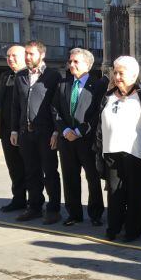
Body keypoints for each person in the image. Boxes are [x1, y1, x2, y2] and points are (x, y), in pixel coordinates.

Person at [94, 56, 141, 243]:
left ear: (134, 75)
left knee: (135, 193)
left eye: (122, 73)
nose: (117, 76)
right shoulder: (107, 96)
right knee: (114, 192)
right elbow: (99, 125)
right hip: (111, 153)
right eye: (115, 72)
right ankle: (114, 226)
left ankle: (132, 230)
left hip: (135, 154)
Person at [51, 48, 108, 226]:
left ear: (88, 65)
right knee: (69, 177)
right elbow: (55, 109)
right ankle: (74, 213)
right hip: (66, 140)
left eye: (76, 62)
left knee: (92, 177)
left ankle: (96, 213)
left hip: (87, 140)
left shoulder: (98, 85)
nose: (71, 64)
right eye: (70, 61)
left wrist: (79, 131)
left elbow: (98, 113)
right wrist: (65, 130)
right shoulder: (63, 84)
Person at [10, 40, 63, 225]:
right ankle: (34, 207)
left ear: (42, 55)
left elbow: (57, 106)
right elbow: (16, 106)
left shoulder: (53, 76)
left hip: (46, 133)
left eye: (31, 54)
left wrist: (57, 132)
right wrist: (14, 129)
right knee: (31, 171)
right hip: (25, 133)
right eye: (26, 53)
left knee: (50, 171)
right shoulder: (20, 77)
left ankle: (54, 209)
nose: (27, 57)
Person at [0, 45, 27, 212]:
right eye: (8, 56)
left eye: (14, 56)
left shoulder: (30, 76)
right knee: (14, 168)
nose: (10, 59)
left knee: (30, 168)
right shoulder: (5, 76)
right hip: (7, 131)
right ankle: (18, 199)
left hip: (26, 131)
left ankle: (35, 200)